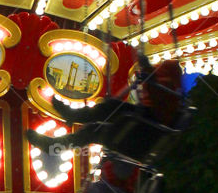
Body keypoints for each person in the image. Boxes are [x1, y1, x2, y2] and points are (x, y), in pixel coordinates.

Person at [26, 57, 184, 155]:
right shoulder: (168, 91)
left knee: (93, 130)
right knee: (109, 108)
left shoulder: (167, 89)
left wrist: (149, 72)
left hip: (142, 135)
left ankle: (56, 142)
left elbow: (158, 96)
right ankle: (72, 118)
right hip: (142, 127)